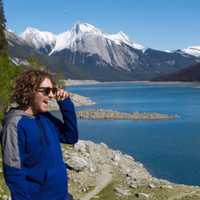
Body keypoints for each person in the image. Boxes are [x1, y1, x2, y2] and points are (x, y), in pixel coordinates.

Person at [0, 69, 78, 200]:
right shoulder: (14, 125)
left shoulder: (45, 117)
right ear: (30, 91)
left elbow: (71, 137)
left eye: (53, 91)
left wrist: (65, 104)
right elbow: (13, 174)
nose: (51, 96)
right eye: (46, 91)